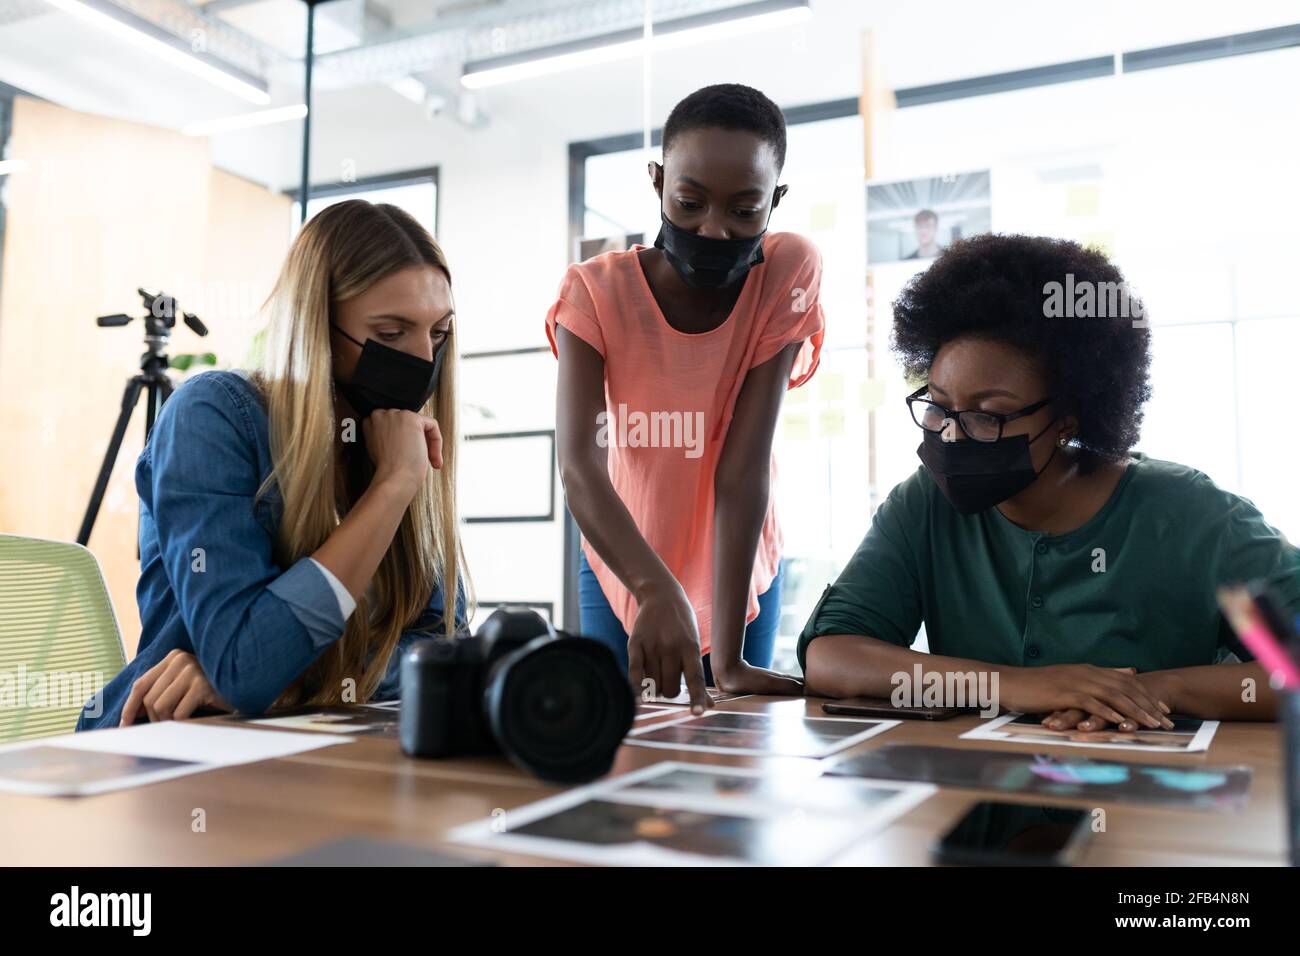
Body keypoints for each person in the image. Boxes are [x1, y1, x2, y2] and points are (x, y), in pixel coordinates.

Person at [801, 233, 1300, 730]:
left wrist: (1154, 690)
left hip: (1145, 803)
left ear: (1068, 418)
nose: (951, 435)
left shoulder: (1197, 519)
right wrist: (1013, 685)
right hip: (978, 797)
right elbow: (832, 656)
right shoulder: (924, 505)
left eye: (987, 415)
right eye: (937, 405)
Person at [77, 200, 470, 729]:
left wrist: (294, 680)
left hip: (312, 749)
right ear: (317, 326)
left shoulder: (393, 435)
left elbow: (449, 653)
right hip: (170, 748)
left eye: (438, 333)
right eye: (391, 334)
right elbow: (245, 664)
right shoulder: (215, 417)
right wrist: (392, 486)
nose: (424, 358)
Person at [547, 84, 825, 709]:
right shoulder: (594, 292)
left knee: (731, 758)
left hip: (738, 564)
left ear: (775, 202)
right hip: (625, 557)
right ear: (657, 183)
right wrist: (652, 587)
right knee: (628, 749)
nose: (715, 229)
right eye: (691, 202)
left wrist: (728, 657)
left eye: (745, 210)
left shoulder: (788, 271)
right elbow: (580, 465)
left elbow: (744, 462)